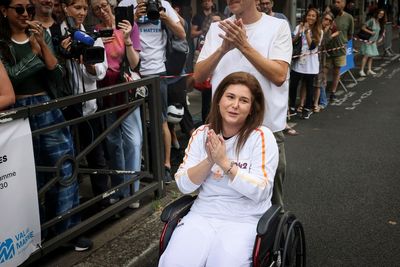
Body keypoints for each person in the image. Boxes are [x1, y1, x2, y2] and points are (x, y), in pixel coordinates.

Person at [158, 71, 279, 267]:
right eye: (230, 97)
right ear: (219, 100)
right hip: (203, 214)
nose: (235, 105)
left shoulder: (261, 136)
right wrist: (209, 160)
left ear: (251, 109)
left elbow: (262, 191)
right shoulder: (201, 134)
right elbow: (183, 185)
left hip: (244, 218)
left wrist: (224, 163)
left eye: (244, 100)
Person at [0, 0, 91, 251]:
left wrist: (42, 46)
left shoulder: (39, 34)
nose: (26, 14)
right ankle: (38, 233)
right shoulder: (2, 44)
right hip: (16, 113)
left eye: (29, 9)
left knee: (64, 167)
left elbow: (57, 72)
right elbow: (12, 77)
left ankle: (68, 229)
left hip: (47, 107)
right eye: (19, 9)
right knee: (29, 174)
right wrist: (34, 55)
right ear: (3, 11)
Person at [193, 0, 291, 211]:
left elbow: (279, 75)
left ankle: (274, 243)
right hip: (224, 134)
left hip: (266, 132)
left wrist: (243, 45)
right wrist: (222, 49)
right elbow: (198, 76)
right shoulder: (217, 28)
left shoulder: (278, 26)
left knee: (270, 203)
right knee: (221, 200)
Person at [118, 0, 186, 184]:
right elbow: (117, 36)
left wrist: (164, 17)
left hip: (157, 71)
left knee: (161, 120)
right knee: (135, 123)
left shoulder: (163, 3)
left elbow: (181, 34)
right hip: (133, 71)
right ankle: (142, 165)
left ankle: (165, 166)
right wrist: (134, 17)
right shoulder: (126, 3)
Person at [91, 0, 142, 207]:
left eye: (104, 5)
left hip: (126, 90)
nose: (102, 11)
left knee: (133, 141)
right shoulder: (94, 31)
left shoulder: (128, 25)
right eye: (96, 8)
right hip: (105, 91)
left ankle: (132, 191)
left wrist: (127, 38)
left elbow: (134, 63)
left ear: (112, 5)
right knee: (113, 143)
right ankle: (120, 189)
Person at [59, 0, 109, 210]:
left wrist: (89, 65)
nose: (81, 13)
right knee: (70, 162)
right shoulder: (56, 33)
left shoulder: (91, 35)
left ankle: (103, 204)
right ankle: (73, 211)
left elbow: (101, 71)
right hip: (66, 108)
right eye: (76, 8)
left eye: (84, 9)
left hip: (90, 105)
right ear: (65, 8)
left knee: (97, 156)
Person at [288, 8, 323, 119]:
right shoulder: (299, 27)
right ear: (305, 16)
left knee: (309, 87)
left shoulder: (319, 31)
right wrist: (299, 32)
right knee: (293, 86)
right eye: (309, 15)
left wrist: (307, 32)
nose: (311, 17)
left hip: (310, 64)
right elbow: (292, 42)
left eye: (313, 16)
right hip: (298, 62)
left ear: (317, 18)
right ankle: (292, 107)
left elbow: (312, 47)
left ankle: (307, 109)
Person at [327, 0, 354, 102]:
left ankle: (333, 92)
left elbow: (350, 34)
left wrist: (345, 42)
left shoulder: (349, 18)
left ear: (344, 3)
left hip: (340, 50)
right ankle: (320, 95)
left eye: (338, 2)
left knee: (337, 71)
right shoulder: (329, 15)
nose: (336, 4)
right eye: (335, 2)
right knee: (323, 71)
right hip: (327, 49)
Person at [359, 9, 386, 77]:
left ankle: (369, 69)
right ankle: (361, 70)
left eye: (382, 14)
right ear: (377, 13)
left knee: (371, 56)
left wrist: (379, 39)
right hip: (368, 41)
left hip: (373, 42)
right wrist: (370, 32)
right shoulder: (372, 20)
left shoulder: (379, 22)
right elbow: (363, 27)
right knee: (366, 55)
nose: (381, 15)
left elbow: (378, 32)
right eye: (380, 13)